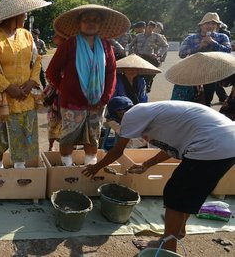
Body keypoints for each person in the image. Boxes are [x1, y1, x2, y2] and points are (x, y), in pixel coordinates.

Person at [83, 96, 235, 253]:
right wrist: (146, 164)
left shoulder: (132, 114)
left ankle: (168, 246)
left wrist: (96, 167)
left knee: (175, 193)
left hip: (212, 144)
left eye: (115, 120)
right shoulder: (152, 115)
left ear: (120, 113)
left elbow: (117, 151)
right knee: (190, 194)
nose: (119, 125)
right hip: (228, 143)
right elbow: (171, 148)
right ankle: (178, 232)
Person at [47, 4, 128, 166]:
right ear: (79, 23)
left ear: (101, 24)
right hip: (72, 101)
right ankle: (67, 166)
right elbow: (51, 72)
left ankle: (90, 165)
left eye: (96, 20)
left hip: (98, 101)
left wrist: (105, 97)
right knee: (69, 135)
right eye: (86, 20)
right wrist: (65, 88)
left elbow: (111, 72)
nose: (91, 23)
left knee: (93, 134)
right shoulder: (69, 45)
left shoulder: (106, 46)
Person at [0, 0, 49, 169]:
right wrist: (9, 87)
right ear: (12, 16)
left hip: (25, 96)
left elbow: (37, 60)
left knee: (23, 132)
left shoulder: (26, 35)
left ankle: (19, 169)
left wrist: (32, 82)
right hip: (0, 95)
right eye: (23, 14)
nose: (25, 17)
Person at [176, 12, 231, 105]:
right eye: (207, 23)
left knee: (207, 99)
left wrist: (213, 43)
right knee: (191, 100)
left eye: (213, 24)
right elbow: (181, 53)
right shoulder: (191, 38)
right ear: (201, 25)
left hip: (212, 72)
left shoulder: (222, 37)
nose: (210, 26)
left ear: (217, 27)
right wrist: (199, 46)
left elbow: (228, 51)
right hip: (193, 72)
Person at [129, 20, 168, 93]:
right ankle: (138, 90)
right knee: (138, 76)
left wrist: (159, 55)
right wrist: (132, 54)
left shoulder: (157, 36)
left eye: (152, 28)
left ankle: (146, 89)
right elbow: (130, 45)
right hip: (139, 58)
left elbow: (165, 46)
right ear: (146, 27)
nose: (150, 29)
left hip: (150, 59)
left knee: (149, 76)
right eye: (149, 27)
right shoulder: (138, 36)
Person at [44, 30, 67, 151]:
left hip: (67, 94)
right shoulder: (60, 52)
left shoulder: (73, 51)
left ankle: (63, 149)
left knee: (66, 125)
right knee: (55, 122)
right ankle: (51, 147)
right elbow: (50, 74)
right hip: (58, 94)